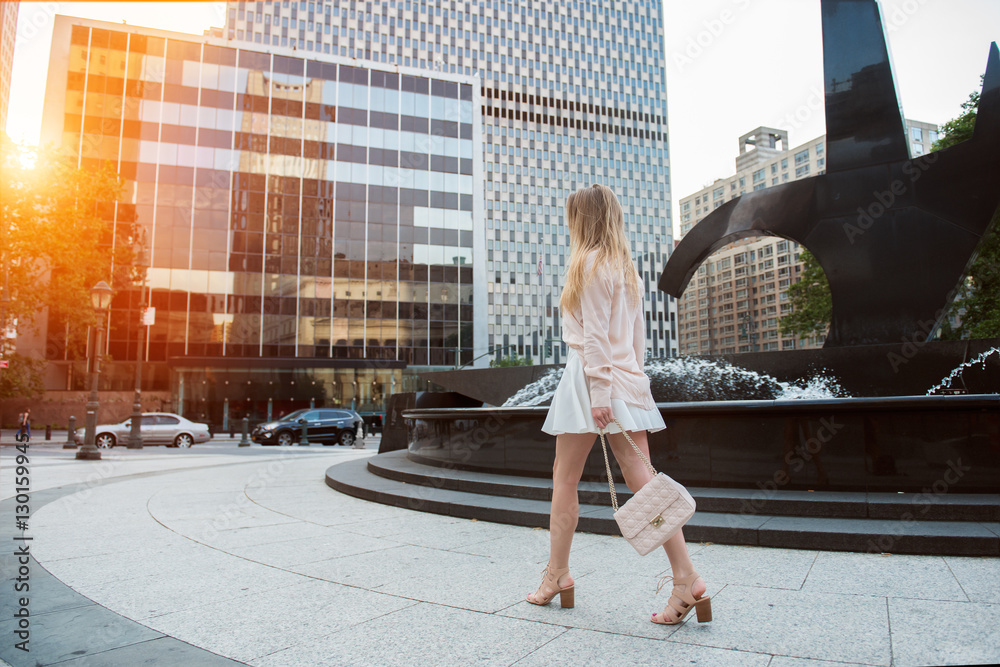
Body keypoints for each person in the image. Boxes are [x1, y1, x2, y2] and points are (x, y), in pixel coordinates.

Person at [527, 184, 712, 626]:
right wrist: (628, 386)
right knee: (644, 482)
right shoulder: (624, 267)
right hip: (625, 380)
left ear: (582, 219)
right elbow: (635, 341)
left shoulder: (587, 264)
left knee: (565, 478)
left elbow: (592, 338)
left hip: (593, 382)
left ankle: (558, 575)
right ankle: (685, 578)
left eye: (572, 216)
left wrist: (599, 395)